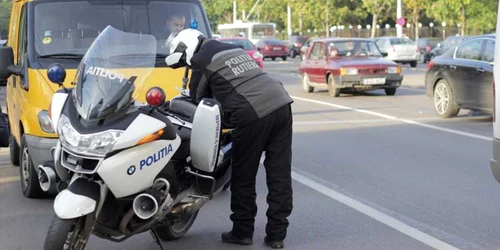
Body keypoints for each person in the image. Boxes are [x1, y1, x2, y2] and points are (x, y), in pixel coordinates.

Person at [165, 29, 294, 249]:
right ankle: (277, 235)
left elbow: (198, 101)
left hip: (253, 113)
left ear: (185, 49)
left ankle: (242, 232)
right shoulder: (230, 48)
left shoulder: (201, 60)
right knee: (279, 173)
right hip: (281, 104)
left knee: (244, 175)